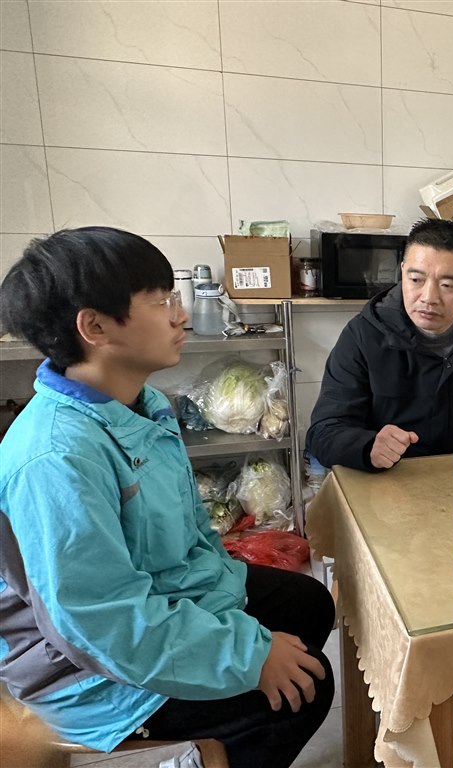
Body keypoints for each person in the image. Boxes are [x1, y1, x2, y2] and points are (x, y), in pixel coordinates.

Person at [0, 227, 336, 768]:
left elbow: (191, 528)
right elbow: (101, 623)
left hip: (163, 599)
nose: (181, 316)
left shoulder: (143, 403)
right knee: (306, 689)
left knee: (309, 605)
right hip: (83, 670)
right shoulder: (56, 458)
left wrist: (231, 618)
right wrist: (249, 654)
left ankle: (218, 745)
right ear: (95, 327)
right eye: (160, 302)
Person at [306, 216, 453, 747]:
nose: (428, 296)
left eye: (447, 283)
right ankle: (396, 684)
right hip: (389, 503)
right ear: (401, 275)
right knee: (407, 608)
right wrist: (367, 444)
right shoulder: (365, 334)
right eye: (416, 278)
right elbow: (323, 431)